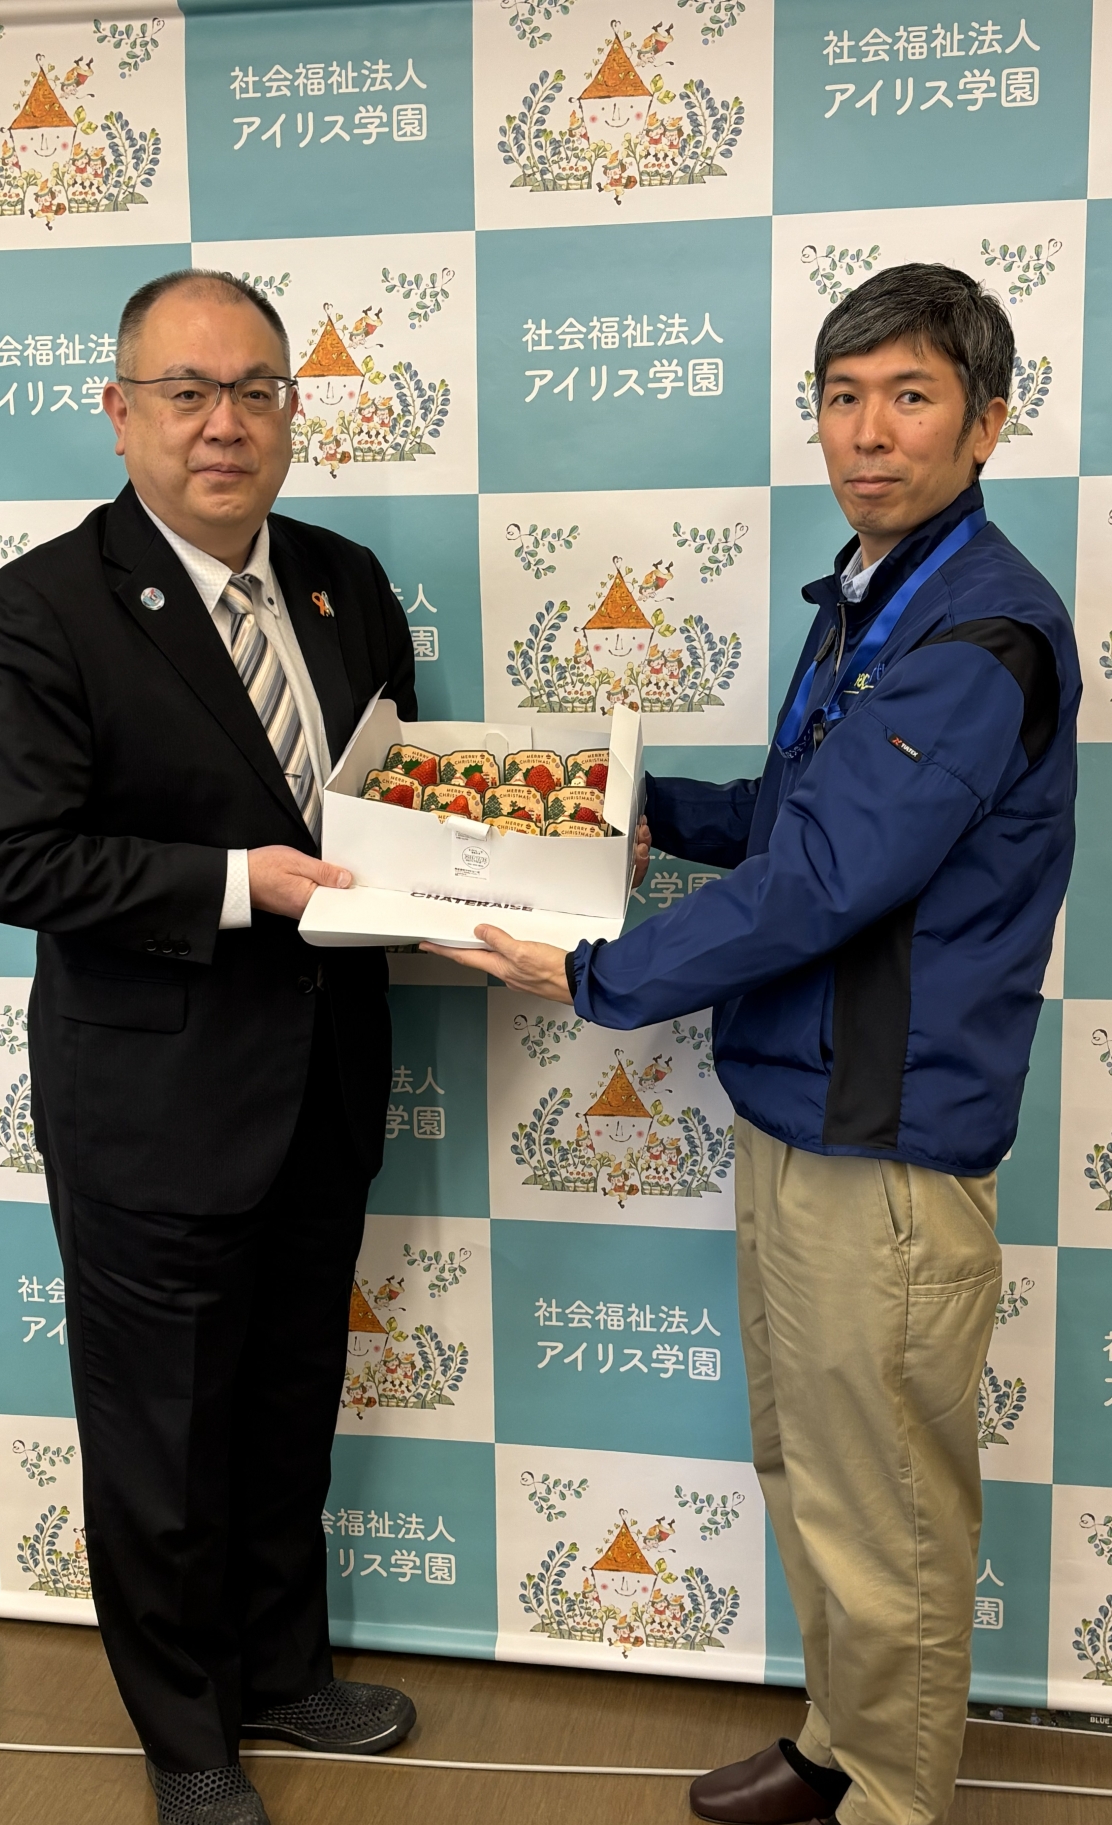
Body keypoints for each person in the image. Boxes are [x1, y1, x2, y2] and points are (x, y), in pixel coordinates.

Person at [428, 265, 1080, 1825]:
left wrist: (595, 972)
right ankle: (836, 1744)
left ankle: (894, 1800)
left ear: (988, 422)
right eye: (844, 397)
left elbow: (829, 878)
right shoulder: (874, 592)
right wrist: (639, 810)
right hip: (800, 1110)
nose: (869, 431)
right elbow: (801, 815)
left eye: (910, 396)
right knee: (810, 1467)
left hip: (886, 1142)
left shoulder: (981, 631)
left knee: (888, 1506)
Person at [0, 270, 418, 1825]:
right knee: (159, 1438)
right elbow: (9, 857)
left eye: (255, 390)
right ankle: (187, 1733)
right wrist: (236, 883)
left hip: (326, 1081)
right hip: (151, 1103)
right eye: (187, 391)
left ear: (292, 407)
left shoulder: (347, 581)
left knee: (288, 1407)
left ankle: (282, 1666)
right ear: (121, 411)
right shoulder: (47, 604)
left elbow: (389, 819)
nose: (225, 424)